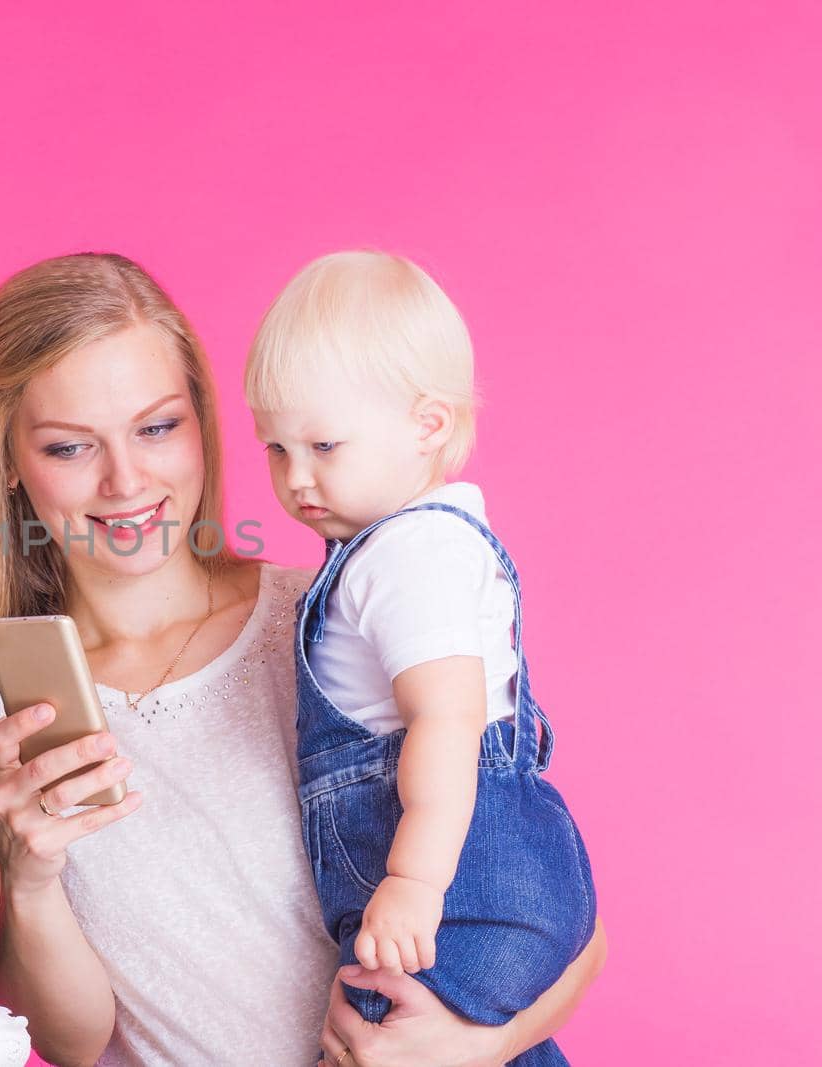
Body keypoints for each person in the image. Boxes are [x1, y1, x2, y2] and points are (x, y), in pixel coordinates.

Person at [0, 252, 605, 1067]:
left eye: (156, 427)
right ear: (11, 462)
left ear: (202, 422)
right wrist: (31, 879)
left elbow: (562, 917)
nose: (127, 480)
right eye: (68, 447)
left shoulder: (327, 623)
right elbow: (71, 1039)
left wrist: (481, 1043)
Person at [245, 251, 597, 1064]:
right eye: (275, 448)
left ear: (428, 424)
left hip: (460, 883)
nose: (296, 478)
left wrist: (412, 882)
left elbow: (448, 718)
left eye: (324, 445)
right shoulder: (402, 545)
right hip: (478, 878)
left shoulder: (407, 556)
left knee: (378, 1039)